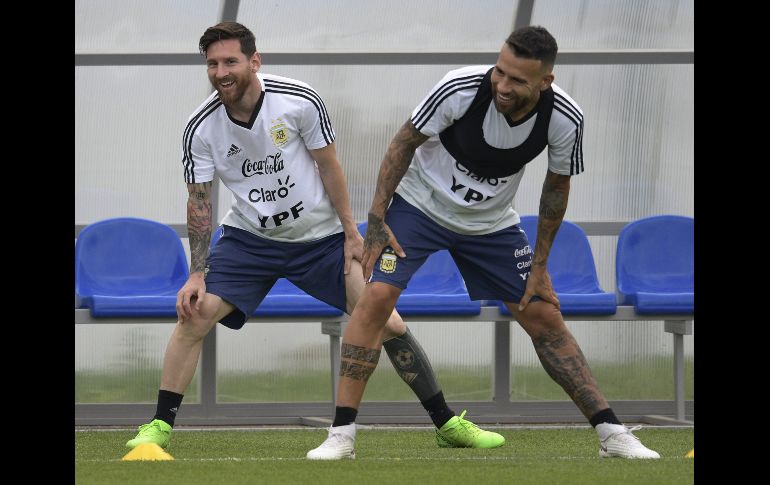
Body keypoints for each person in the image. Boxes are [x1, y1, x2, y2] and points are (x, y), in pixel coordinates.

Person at [125, 21, 504, 454]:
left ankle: (447, 423)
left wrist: (350, 234)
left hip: (321, 239)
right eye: (212, 64)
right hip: (250, 240)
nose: (220, 72)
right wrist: (197, 273)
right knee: (195, 313)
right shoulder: (200, 126)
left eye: (230, 61)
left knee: (388, 322)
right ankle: (158, 426)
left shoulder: (299, 100)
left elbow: (330, 167)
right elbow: (199, 201)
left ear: (254, 61)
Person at [307, 25, 660, 460]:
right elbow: (403, 142)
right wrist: (377, 218)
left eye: (517, 80)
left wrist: (541, 265)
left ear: (545, 81)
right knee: (376, 297)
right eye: (500, 72)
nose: (503, 85)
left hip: (490, 225)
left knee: (544, 315)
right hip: (420, 208)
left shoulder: (565, 117)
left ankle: (612, 432)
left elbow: (555, 190)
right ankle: (342, 435)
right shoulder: (459, 88)